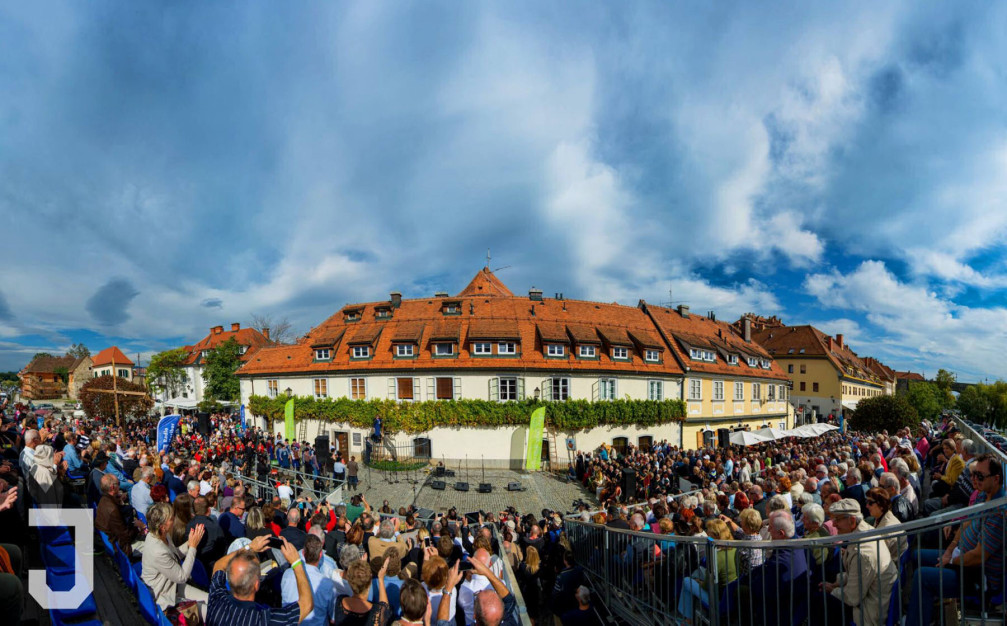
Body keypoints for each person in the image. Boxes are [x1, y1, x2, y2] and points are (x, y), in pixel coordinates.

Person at [905, 454, 1005, 626]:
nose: (974, 479)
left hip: (978, 576)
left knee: (922, 577)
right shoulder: (983, 495)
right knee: (917, 555)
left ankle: (917, 620)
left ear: (996, 479)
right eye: (973, 475)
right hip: (961, 559)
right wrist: (950, 549)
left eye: (980, 476)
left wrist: (951, 560)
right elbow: (965, 523)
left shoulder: (999, 512)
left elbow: (978, 556)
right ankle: (925, 607)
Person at [819, 498, 898, 626]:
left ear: (852, 521)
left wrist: (832, 590)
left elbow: (852, 598)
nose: (833, 525)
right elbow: (856, 575)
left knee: (819, 601)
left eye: (837, 520)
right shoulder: (865, 530)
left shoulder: (863, 553)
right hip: (872, 599)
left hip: (868, 613)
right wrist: (836, 583)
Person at [208, 535, 315, 626]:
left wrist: (249, 548)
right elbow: (306, 605)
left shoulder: (217, 602)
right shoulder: (263, 620)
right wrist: (296, 562)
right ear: (256, 584)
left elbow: (219, 565)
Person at [141, 502, 207, 611]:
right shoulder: (157, 551)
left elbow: (174, 554)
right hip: (164, 595)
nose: (174, 520)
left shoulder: (161, 535)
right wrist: (193, 547)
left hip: (172, 586)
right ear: (162, 527)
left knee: (210, 600)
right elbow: (182, 577)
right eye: (171, 519)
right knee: (209, 611)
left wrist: (189, 543)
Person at [677, 519, 737, 624]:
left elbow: (707, 586)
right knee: (694, 577)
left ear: (716, 535)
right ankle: (688, 618)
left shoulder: (715, 556)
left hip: (718, 600)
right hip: (730, 596)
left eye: (709, 533)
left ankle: (688, 619)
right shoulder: (735, 549)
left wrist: (699, 582)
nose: (707, 536)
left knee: (687, 581)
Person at [280, 535, 335, 626]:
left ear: (303, 553)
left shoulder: (287, 574)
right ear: (320, 554)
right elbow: (333, 617)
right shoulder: (327, 584)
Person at [95, 474, 144, 557]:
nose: (120, 486)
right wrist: (139, 527)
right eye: (118, 483)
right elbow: (126, 536)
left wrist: (118, 499)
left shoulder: (103, 500)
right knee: (154, 548)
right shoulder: (112, 510)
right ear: (112, 487)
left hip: (110, 540)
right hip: (122, 548)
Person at [332, 557, 392, 625]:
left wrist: (359, 571)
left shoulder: (340, 601)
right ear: (370, 582)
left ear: (349, 581)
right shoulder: (375, 612)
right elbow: (385, 609)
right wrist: (381, 578)